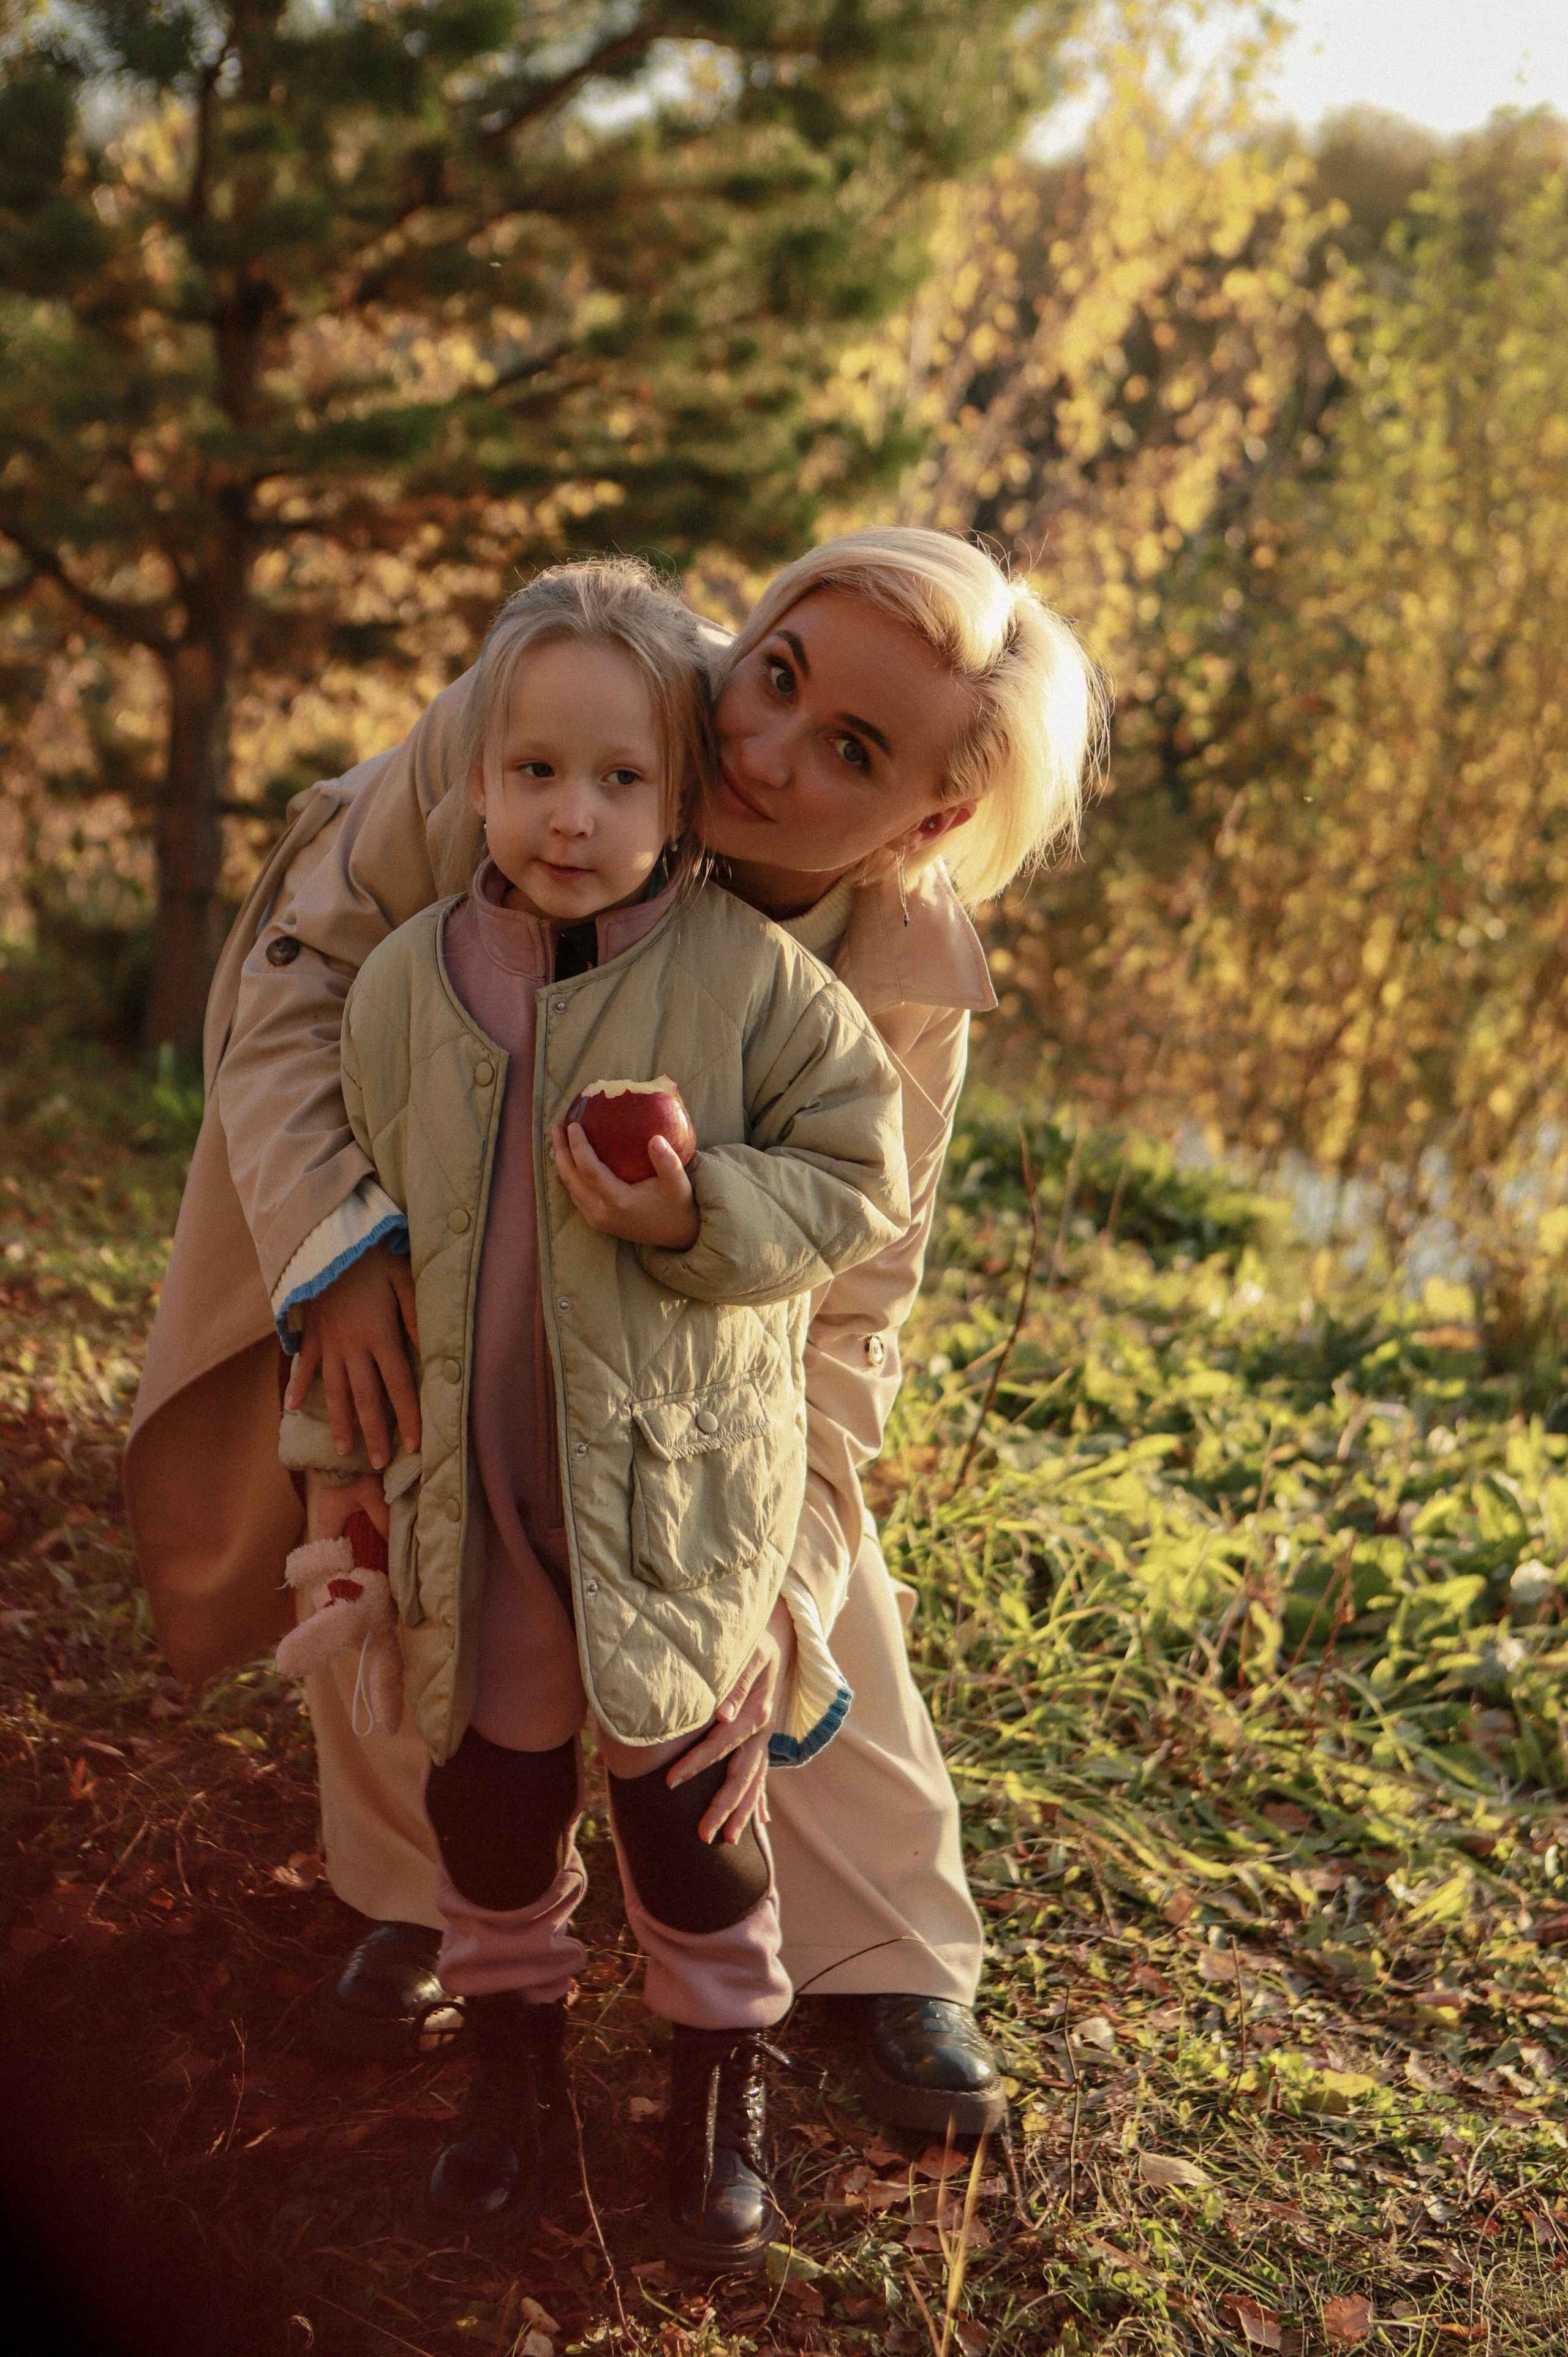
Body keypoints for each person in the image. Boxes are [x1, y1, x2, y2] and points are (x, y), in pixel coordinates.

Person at [124, 525, 1103, 2154]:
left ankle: (879, 1945)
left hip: (697, 1324)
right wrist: (337, 1251)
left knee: (765, 1541)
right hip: (401, 1180)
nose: (759, 748)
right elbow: (309, 978)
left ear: (926, 821)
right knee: (396, 1474)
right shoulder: (575, 702)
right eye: (772, 675)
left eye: (848, 750)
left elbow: (851, 1313)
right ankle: (423, 1896)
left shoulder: (903, 972)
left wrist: (781, 1587)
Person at [269, 559, 910, 2265]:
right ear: (475, 775)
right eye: (538, 771)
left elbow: (862, 1177)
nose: (574, 815)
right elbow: (371, 1285)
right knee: (490, 1812)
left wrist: (696, 1211)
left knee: (693, 1820)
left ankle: (718, 2087)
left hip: (671, 1504)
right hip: (472, 1508)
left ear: (680, 790)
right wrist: (342, 1493)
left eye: (623, 778)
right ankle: (512, 2074)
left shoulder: (753, 985)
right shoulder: (408, 987)